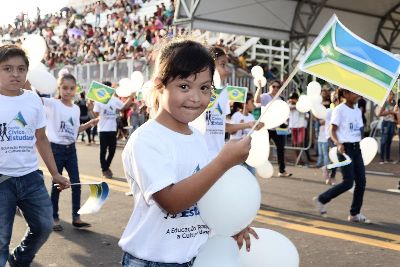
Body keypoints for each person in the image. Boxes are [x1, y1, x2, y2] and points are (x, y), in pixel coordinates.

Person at [119, 39, 257, 266]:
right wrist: (223, 162)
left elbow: (206, 197)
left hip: (195, 257)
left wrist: (231, 224)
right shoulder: (147, 139)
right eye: (184, 86)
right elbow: (172, 202)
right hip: (152, 261)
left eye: (204, 88)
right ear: (159, 85)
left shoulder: (197, 137)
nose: (195, 97)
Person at [0, 44, 70, 266]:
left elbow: (41, 138)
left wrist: (55, 173)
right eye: (7, 69)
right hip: (1, 181)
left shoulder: (32, 100)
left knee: (44, 226)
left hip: (31, 178)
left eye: (21, 69)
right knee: (1, 239)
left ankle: (20, 258)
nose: (15, 74)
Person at [42, 73, 99, 231]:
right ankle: (54, 217)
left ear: (76, 90)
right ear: (59, 88)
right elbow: (35, 98)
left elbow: (75, 130)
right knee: (57, 185)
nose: (68, 91)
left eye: (71, 88)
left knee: (76, 183)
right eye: (64, 88)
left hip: (70, 150)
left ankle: (76, 217)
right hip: (56, 149)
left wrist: (90, 123)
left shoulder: (75, 109)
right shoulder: (53, 103)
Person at [313, 89, 370, 223]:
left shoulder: (357, 110)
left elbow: (360, 129)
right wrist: (338, 143)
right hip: (345, 149)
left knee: (361, 182)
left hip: (357, 148)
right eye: (354, 93)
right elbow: (332, 130)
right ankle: (321, 199)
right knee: (348, 182)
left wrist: (360, 138)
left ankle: (354, 213)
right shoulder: (339, 110)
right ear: (345, 94)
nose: (357, 95)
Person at [205, 46, 259, 160]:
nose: (227, 70)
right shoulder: (197, 93)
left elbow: (224, 127)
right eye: (223, 64)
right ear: (208, 65)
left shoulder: (224, 93)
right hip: (198, 156)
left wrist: (249, 124)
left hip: (216, 157)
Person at [92, 81, 133, 179]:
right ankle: (104, 169)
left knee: (112, 150)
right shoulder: (99, 100)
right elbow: (95, 114)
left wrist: (131, 97)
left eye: (110, 88)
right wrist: (92, 106)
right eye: (107, 88)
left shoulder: (114, 100)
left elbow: (123, 107)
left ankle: (106, 167)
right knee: (103, 151)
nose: (110, 90)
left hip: (112, 129)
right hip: (102, 129)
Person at [255, 80, 292, 177]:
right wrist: (259, 87)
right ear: (270, 87)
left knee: (281, 149)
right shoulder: (265, 96)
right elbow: (257, 101)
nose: (275, 88)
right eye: (273, 86)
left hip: (278, 128)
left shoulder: (281, 99)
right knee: (263, 149)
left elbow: (284, 113)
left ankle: (282, 171)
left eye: (277, 87)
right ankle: (260, 169)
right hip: (266, 128)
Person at [230, 92, 264, 175]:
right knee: (237, 173)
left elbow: (252, 134)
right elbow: (231, 132)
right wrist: (241, 125)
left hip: (248, 151)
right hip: (237, 150)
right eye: (252, 101)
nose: (254, 104)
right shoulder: (236, 115)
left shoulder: (251, 117)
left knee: (252, 173)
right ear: (244, 103)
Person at [378, 91, 396, 164]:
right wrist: (390, 112)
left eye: (393, 95)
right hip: (386, 123)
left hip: (392, 123)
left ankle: (388, 158)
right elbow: (380, 113)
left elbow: (396, 113)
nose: (392, 96)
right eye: (391, 95)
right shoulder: (385, 103)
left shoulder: (394, 103)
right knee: (384, 141)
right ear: (388, 95)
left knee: (389, 141)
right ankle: (382, 158)